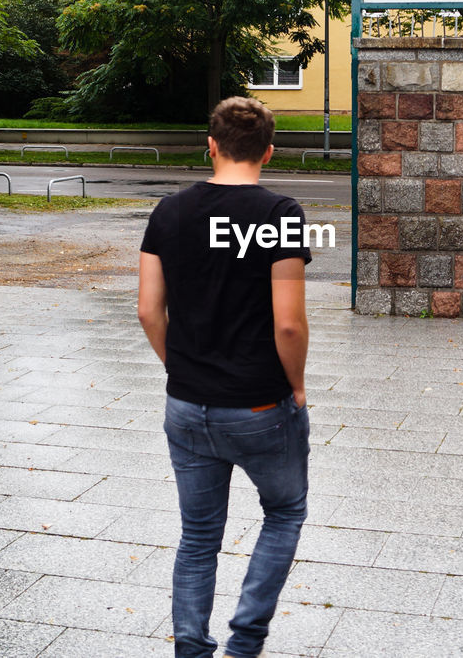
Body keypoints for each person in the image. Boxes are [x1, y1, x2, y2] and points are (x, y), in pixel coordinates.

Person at [138, 96, 311, 658]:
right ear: (268, 150)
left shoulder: (169, 212)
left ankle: (191, 648)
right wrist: (298, 388)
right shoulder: (279, 213)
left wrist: (178, 366)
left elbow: (147, 310)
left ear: (209, 145)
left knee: (198, 537)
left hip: (187, 406)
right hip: (260, 404)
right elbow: (288, 325)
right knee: (283, 513)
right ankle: (244, 645)